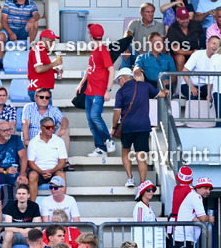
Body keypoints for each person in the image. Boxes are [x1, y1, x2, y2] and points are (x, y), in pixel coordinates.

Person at [113, 67, 163, 187]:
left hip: (127, 126)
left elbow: (117, 112)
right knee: (140, 156)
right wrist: (166, 90)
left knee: (125, 151)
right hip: (143, 126)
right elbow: (162, 94)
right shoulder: (144, 86)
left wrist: (114, 127)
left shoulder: (121, 92)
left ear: (123, 78)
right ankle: (142, 183)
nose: (118, 83)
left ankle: (130, 178)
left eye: (119, 80)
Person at [76, 23, 115, 159]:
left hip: (98, 90)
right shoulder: (95, 50)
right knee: (91, 121)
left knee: (95, 116)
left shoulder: (102, 50)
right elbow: (90, 68)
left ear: (91, 36)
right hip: (89, 90)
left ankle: (108, 140)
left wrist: (108, 90)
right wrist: (81, 83)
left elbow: (111, 69)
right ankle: (100, 148)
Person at [0, 0, 41, 68]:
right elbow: (3, 20)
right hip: (9, 30)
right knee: (0, 36)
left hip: (23, 31)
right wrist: (10, 32)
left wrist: (32, 19)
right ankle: (0, 62)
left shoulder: (31, 4)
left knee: (35, 23)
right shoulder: (8, 2)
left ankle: (29, 50)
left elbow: (37, 15)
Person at [0, 120, 27, 205]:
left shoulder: (15, 139)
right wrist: (5, 170)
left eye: (9, 130)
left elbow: (23, 157)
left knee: (22, 182)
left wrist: (22, 175)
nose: (8, 133)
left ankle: (21, 210)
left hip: (14, 173)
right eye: (5, 131)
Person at [20, 88, 70, 155]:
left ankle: (65, 161)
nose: (44, 99)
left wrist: (63, 128)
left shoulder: (53, 109)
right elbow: (25, 123)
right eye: (41, 97)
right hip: (33, 141)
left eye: (47, 98)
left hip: (50, 140)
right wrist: (26, 139)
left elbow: (64, 119)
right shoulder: (29, 107)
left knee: (66, 130)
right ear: (35, 98)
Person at [173, 177, 213, 248]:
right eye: (205, 188)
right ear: (197, 188)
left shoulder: (194, 195)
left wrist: (199, 220)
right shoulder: (196, 197)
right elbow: (203, 218)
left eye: (209, 189)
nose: (208, 191)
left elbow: (201, 220)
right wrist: (209, 218)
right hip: (184, 239)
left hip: (186, 238)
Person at [0, 184, 42, 248]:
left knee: (39, 236)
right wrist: (21, 231)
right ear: (16, 195)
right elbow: (7, 227)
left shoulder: (34, 206)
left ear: (28, 195)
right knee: (8, 234)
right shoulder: (10, 205)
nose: (21, 196)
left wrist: (30, 231)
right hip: (14, 235)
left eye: (24, 194)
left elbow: (39, 227)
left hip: (29, 235)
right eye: (19, 193)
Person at [27, 30, 62, 101]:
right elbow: (38, 69)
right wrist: (54, 63)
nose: (52, 43)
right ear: (43, 39)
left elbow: (41, 68)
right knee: (45, 112)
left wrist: (53, 70)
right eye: (50, 41)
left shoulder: (42, 50)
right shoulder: (38, 49)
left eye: (53, 41)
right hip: (39, 90)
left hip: (42, 90)